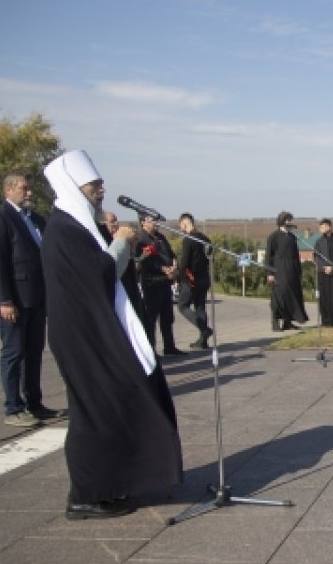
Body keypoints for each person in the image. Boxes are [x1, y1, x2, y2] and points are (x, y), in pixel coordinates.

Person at [41, 150, 182, 520]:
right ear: (73, 186)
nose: (100, 189)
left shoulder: (77, 226)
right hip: (81, 336)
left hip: (93, 331)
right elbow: (100, 274)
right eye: (93, 184)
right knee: (93, 413)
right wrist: (121, 241)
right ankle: (84, 496)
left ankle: (111, 484)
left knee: (111, 405)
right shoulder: (63, 230)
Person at [0, 169, 61, 427]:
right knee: (14, 354)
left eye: (29, 188)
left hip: (37, 298)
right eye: (24, 188)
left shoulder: (35, 219)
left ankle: (34, 403)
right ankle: (13, 407)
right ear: (9, 190)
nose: (29, 193)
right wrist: (4, 300)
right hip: (14, 301)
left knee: (34, 353)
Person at [135, 214, 183, 355]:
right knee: (151, 318)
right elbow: (145, 261)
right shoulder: (141, 239)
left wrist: (173, 266)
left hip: (166, 281)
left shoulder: (160, 237)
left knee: (167, 316)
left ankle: (170, 347)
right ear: (143, 223)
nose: (156, 223)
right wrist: (163, 269)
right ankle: (150, 350)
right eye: (152, 220)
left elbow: (171, 254)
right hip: (152, 282)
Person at [175, 213, 213, 349]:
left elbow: (184, 262)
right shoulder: (205, 239)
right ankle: (203, 341)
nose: (181, 229)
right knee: (200, 307)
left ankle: (204, 329)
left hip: (192, 279)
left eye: (181, 226)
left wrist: (180, 279)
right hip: (204, 278)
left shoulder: (188, 240)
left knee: (182, 306)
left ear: (185, 223)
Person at [266, 212, 308, 332]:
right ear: (282, 221)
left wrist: (299, 270)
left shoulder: (292, 237)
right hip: (279, 270)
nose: (290, 222)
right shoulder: (273, 236)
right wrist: (270, 273)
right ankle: (275, 322)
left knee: (291, 296)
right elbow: (269, 256)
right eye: (288, 220)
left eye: (291, 220)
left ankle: (287, 322)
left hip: (292, 271)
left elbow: (296, 255)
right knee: (279, 296)